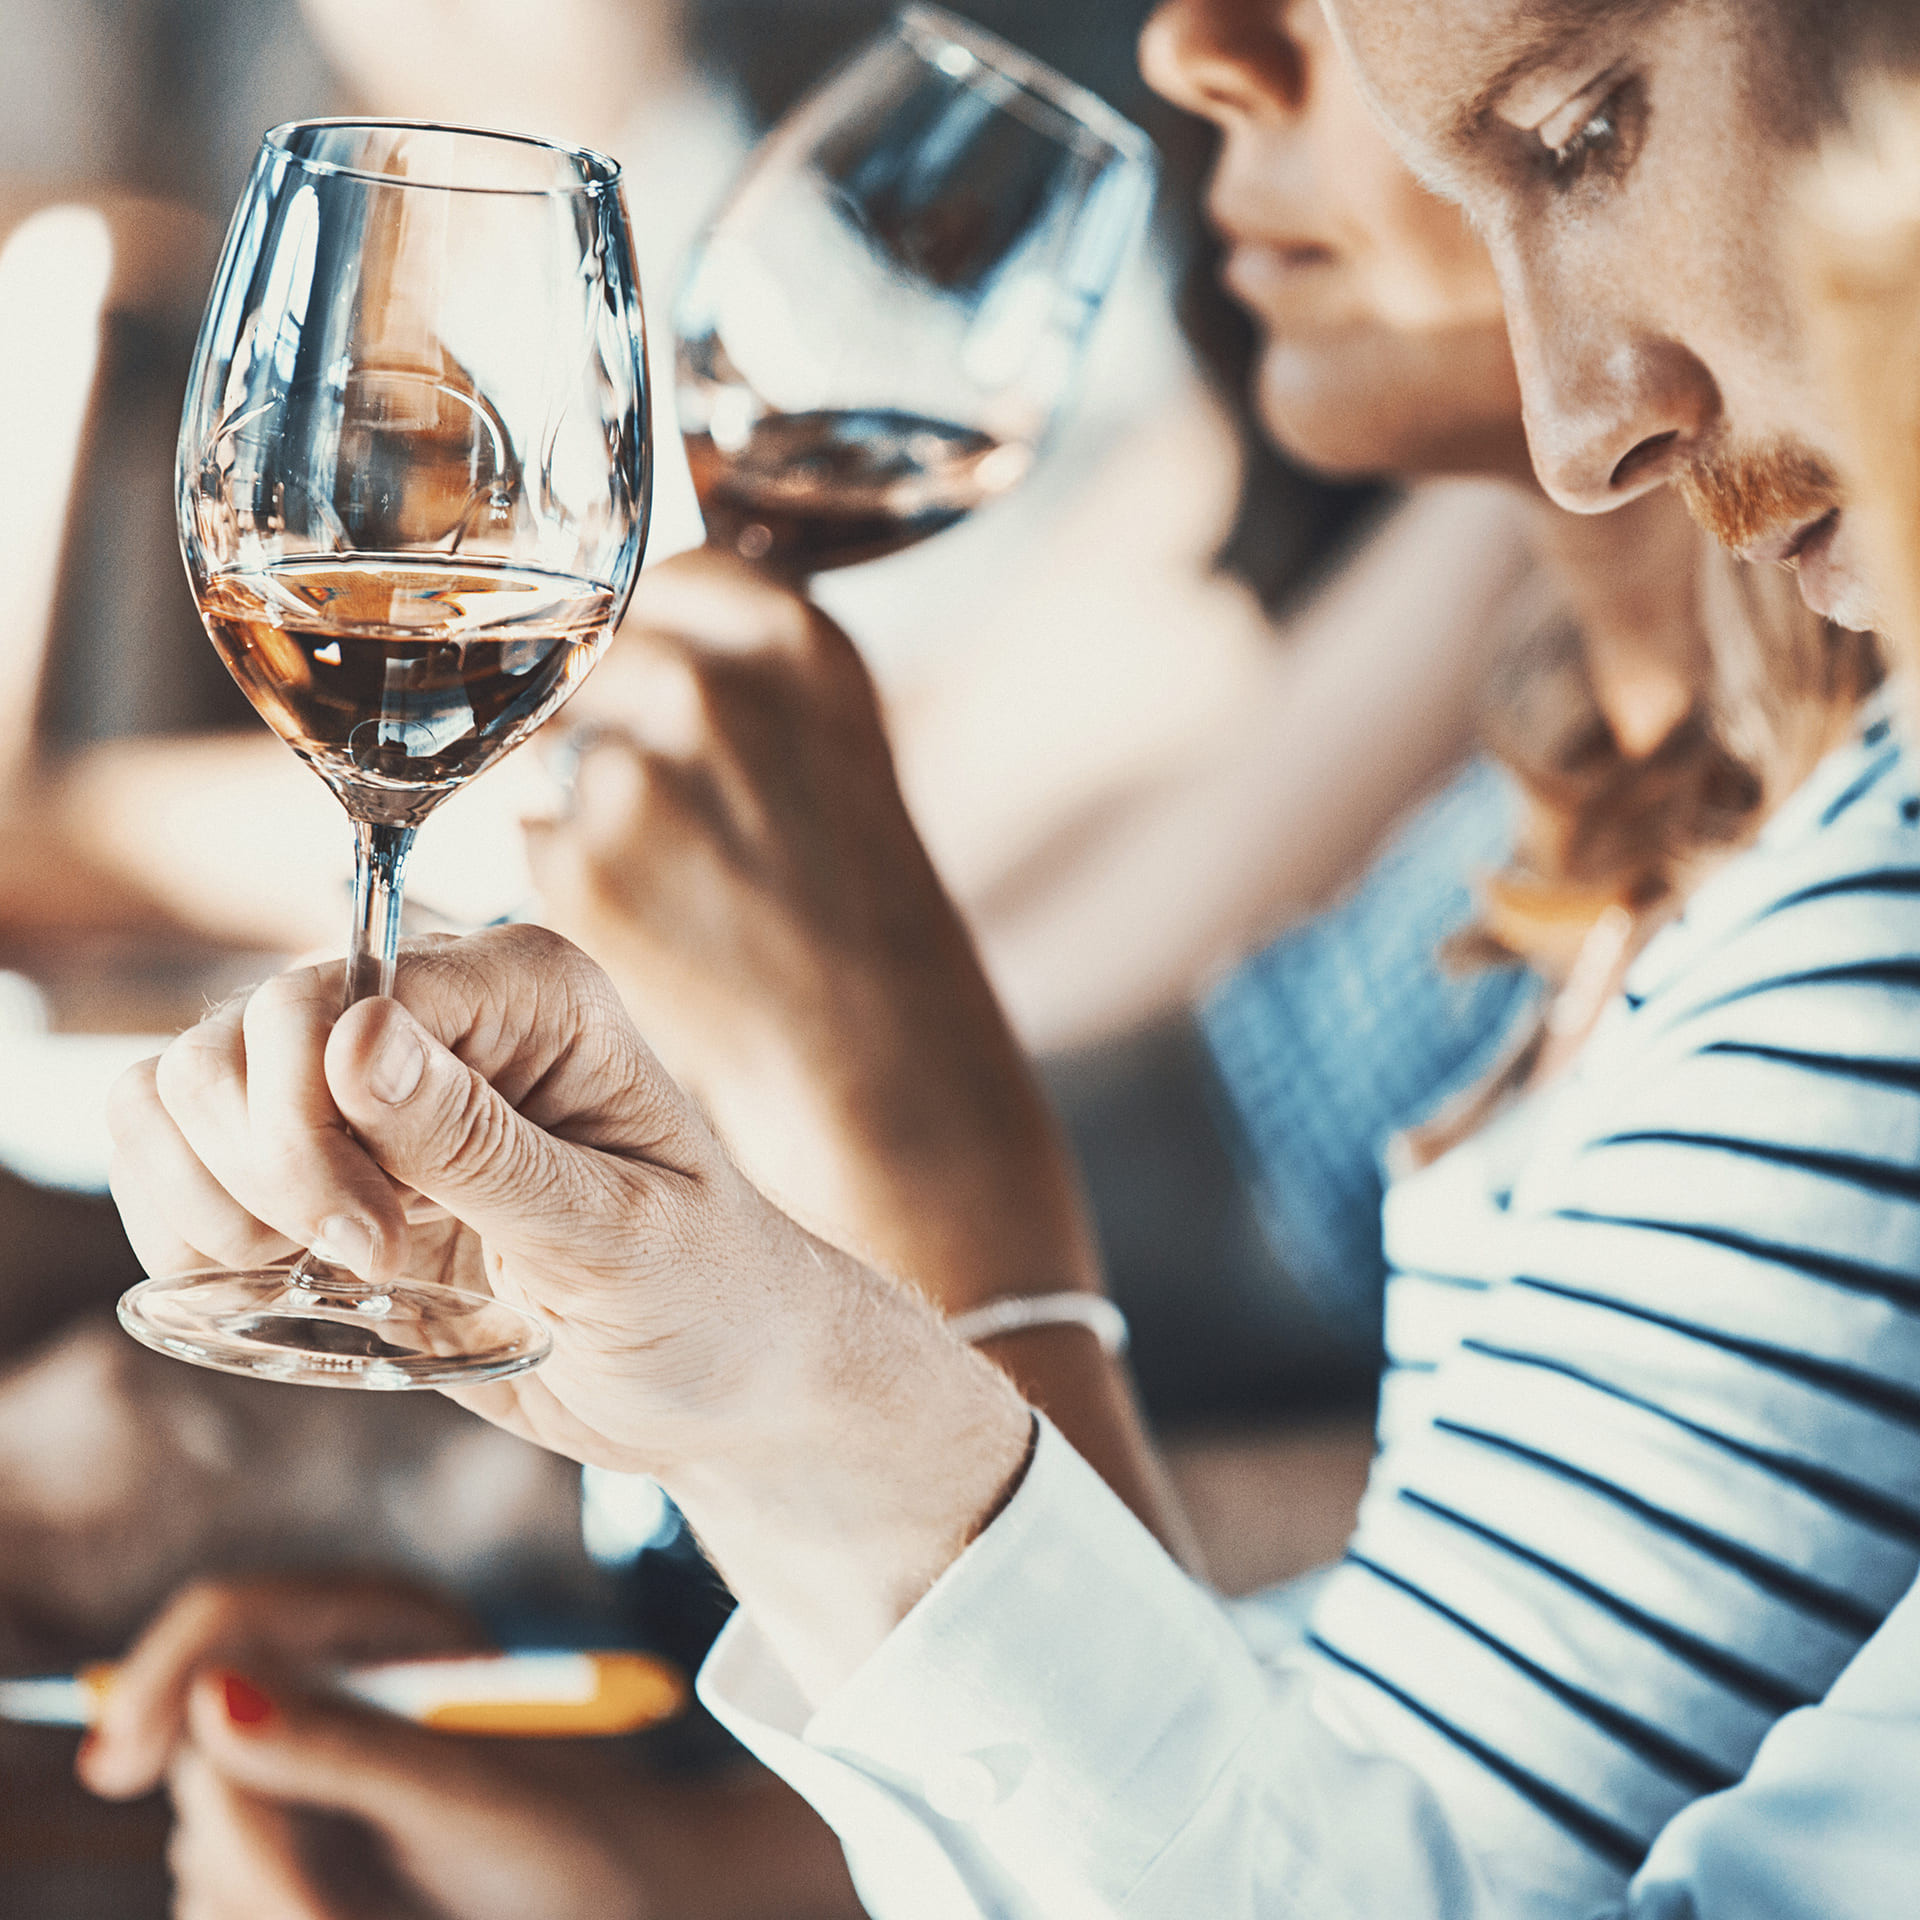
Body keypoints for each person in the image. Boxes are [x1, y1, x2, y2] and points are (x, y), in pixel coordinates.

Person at [93, 9, 1920, 1920]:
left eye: (1570, 129)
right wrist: (669, 1793)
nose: (1198, 51)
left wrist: (880, 1169)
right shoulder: (1608, 817)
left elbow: (1386, 1847)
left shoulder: (1849, 950)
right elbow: (1381, 1649)